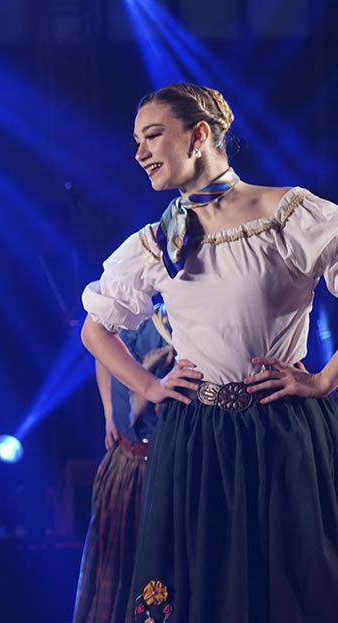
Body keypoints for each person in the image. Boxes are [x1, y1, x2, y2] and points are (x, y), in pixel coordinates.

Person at [81, 82, 338, 621]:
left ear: (199, 135)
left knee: (290, 586)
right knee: (198, 585)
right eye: (135, 141)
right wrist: (150, 387)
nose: (140, 152)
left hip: (281, 429)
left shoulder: (286, 214)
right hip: (194, 436)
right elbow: (96, 330)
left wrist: (323, 380)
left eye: (153, 136)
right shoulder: (157, 241)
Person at [71, 310, 169, 623]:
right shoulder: (132, 304)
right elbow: (102, 348)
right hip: (125, 466)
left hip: (170, 473)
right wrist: (109, 412)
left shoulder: (196, 319)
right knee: (113, 579)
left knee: (162, 579)